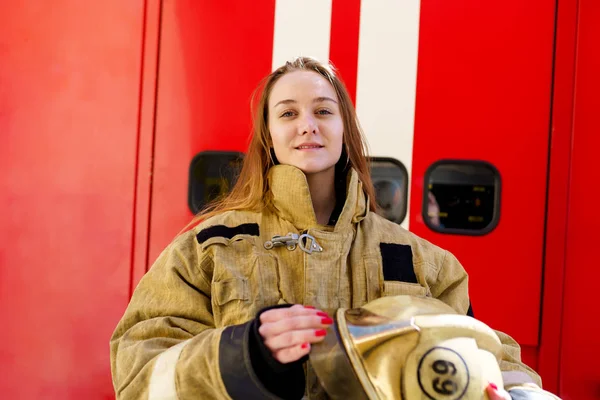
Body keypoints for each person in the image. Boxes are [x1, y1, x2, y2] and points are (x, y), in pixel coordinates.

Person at [110, 57, 556, 399]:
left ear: (344, 128)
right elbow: (137, 373)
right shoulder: (208, 247)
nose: (308, 126)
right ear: (268, 135)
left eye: (323, 111)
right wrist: (245, 355)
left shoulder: (423, 261)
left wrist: (521, 391)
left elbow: (485, 352)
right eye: (287, 114)